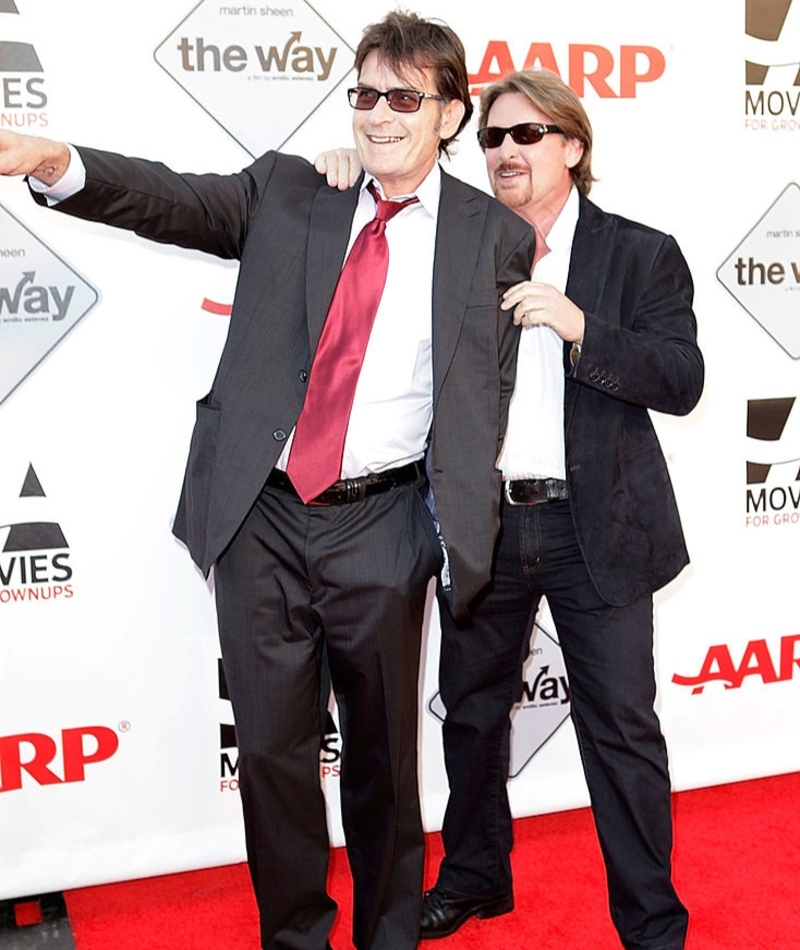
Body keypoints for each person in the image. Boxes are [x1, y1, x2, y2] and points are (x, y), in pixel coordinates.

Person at [0, 14, 535, 950]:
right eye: (363, 93)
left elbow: (485, 394)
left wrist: (451, 537)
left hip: (383, 527)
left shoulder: (493, 237)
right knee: (274, 764)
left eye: (404, 99)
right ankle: (293, 938)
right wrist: (56, 158)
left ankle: (386, 937)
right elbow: (173, 199)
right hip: (262, 520)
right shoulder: (295, 189)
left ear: (451, 116)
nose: (374, 116)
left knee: (384, 766)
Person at [316, 68, 703, 950]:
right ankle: (477, 875)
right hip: (482, 521)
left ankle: (651, 925)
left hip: (595, 525)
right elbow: (375, 223)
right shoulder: (458, 242)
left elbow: (682, 381)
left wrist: (579, 327)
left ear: (573, 146)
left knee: (622, 733)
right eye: (490, 138)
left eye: (527, 135)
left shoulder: (639, 252)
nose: (504, 153)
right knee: (473, 714)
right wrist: (342, 172)